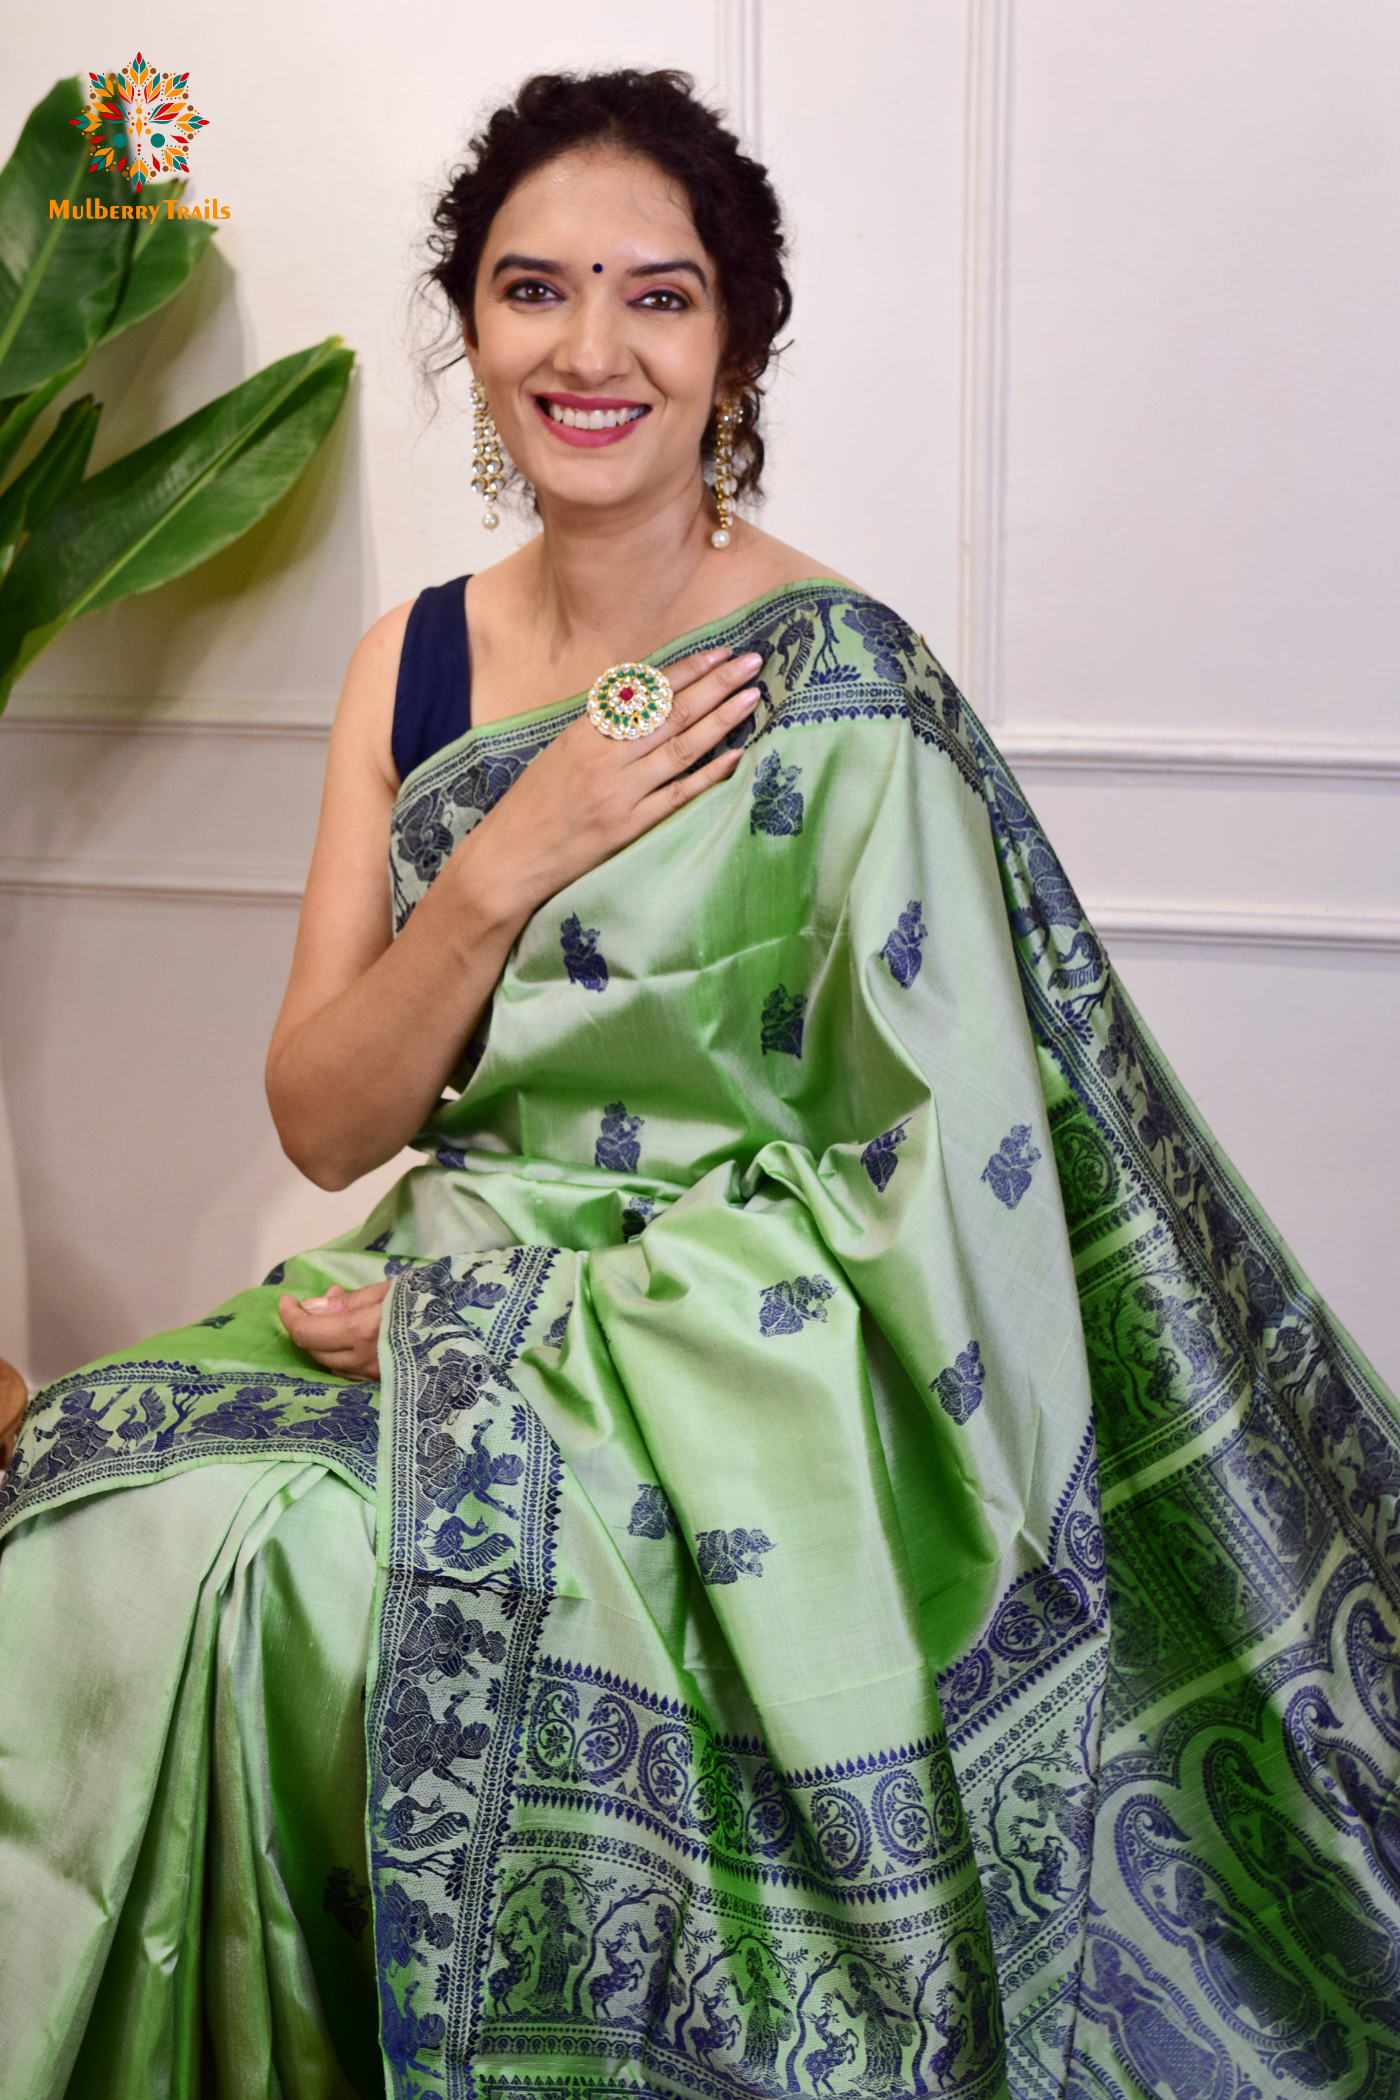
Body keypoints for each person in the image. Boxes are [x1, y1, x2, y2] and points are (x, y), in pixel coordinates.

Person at [0, 65, 1397, 2100]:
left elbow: (938, 1199)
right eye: (530, 290)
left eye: (654, 298)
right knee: (105, 1498)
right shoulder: (406, 665)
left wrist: (508, 1334)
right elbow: (324, 1120)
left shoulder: (843, 684)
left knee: (300, 1562)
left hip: (718, 1352)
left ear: (736, 338)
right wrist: (499, 862)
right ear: (465, 322)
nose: (587, 351)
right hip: (438, 1262)